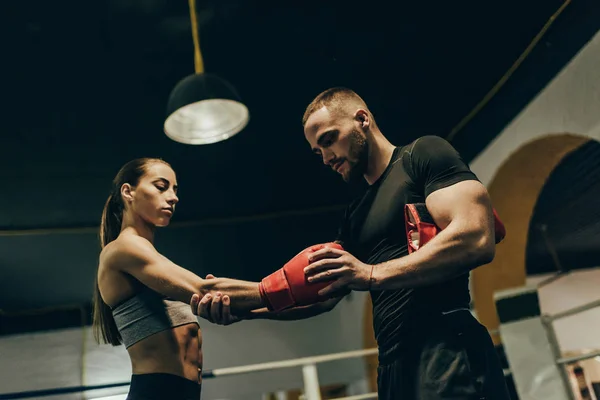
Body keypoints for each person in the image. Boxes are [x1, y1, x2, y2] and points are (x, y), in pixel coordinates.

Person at [193, 88, 512, 399]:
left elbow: (476, 237)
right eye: (318, 152)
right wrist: (247, 309)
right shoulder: (356, 216)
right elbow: (323, 294)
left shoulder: (423, 155)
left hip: (447, 348)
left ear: (363, 119)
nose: (326, 158)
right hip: (392, 367)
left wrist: (371, 274)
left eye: (329, 140)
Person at [92, 157, 334, 400]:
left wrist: (324, 294)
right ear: (128, 191)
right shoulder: (122, 248)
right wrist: (287, 284)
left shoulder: (151, 261)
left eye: (175, 190)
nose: (173, 197)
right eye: (161, 186)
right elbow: (204, 289)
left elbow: (222, 299)